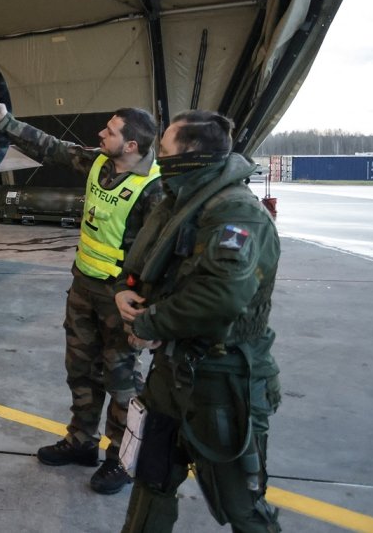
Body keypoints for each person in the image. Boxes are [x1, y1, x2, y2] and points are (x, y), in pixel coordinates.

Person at [0, 100, 162, 495]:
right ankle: (82, 442)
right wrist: (6, 123)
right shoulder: (99, 162)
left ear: (131, 145)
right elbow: (51, 147)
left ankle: (120, 457)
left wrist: (149, 317)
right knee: (80, 369)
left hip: (122, 300)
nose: (101, 134)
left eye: (111, 131)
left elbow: (163, 258)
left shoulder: (154, 190)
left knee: (122, 381)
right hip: (84, 287)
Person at [116, 110, 281, 532]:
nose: (157, 156)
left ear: (189, 155)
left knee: (241, 504)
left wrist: (148, 324)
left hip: (220, 382)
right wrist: (125, 291)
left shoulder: (235, 213)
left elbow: (218, 298)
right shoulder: (179, 202)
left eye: (165, 149)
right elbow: (148, 261)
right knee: (151, 478)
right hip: (170, 373)